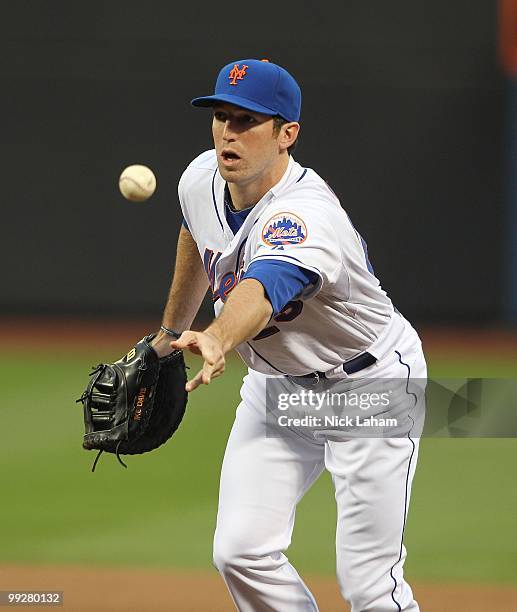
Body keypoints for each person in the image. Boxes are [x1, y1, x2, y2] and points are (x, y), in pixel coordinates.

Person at [151, 58, 426, 612]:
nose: (229, 132)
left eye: (248, 121)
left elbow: (263, 286)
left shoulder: (304, 215)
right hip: (280, 387)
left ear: (287, 135)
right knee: (240, 552)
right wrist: (168, 333)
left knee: (370, 584)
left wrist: (219, 336)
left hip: (369, 389)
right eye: (221, 116)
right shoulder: (202, 177)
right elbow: (195, 233)